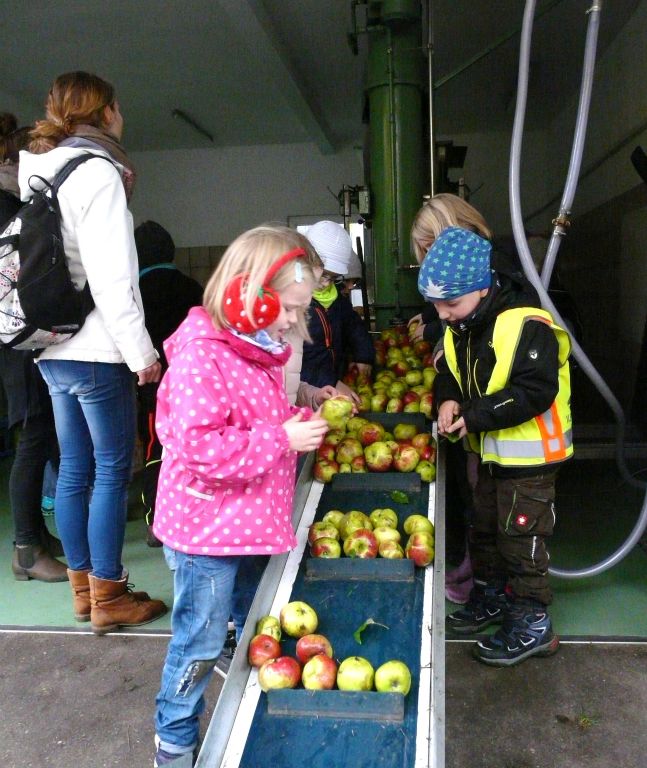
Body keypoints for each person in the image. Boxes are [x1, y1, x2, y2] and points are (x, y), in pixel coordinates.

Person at [152, 224, 328, 766]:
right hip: (206, 536)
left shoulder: (257, 349)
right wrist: (282, 439)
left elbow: (252, 419)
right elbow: (202, 450)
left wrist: (296, 419)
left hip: (246, 526)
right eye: (292, 308)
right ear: (246, 294)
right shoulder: (202, 357)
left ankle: (243, 717)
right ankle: (175, 741)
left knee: (252, 627)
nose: (297, 321)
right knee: (199, 644)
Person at [21, 71, 167, 632]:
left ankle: (85, 591)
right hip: (99, 347)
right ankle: (110, 595)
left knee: (76, 470)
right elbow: (112, 278)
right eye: (118, 106)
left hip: (52, 347)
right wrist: (141, 353)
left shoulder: (42, 170)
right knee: (110, 471)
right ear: (104, 112)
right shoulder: (99, 172)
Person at [419, 225, 573, 667]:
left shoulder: (526, 323)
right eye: (436, 305)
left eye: (451, 304)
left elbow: (534, 390)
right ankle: (492, 599)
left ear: (482, 288)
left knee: (520, 537)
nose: (443, 314)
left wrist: (473, 416)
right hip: (490, 453)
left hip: (532, 459)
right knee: (483, 527)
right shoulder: (461, 325)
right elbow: (449, 371)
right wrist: (447, 398)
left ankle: (533, 623)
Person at [408, 194, 494, 603]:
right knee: (470, 493)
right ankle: (473, 580)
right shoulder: (457, 306)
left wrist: (436, 336)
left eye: (428, 246)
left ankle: (489, 585)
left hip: (494, 423)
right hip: (470, 414)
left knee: (486, 505)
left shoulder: (497, 289)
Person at [0, 115, 66, 582]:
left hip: (23, 337)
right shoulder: (6, 202)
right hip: (19, 339)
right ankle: (26, 549)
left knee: (41, 435)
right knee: (35, 436)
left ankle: (37, 537)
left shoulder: (11, 199)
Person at [134, 220, 204, 547]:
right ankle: (192, 514)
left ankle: (156, 522)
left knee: (154, 448)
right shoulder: (193, 288)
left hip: (152, 386)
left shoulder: (135, 294)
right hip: (196, 386)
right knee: (192, 447)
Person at [301, 220, 375, 402]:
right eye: (324, 275)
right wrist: (331, 382)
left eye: (333, 278)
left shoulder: (337, 301)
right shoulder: (297, 305)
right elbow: (304, 360)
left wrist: (363, 355)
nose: (326, 283)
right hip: (308, 389)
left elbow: (354, 327)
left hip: (333, 383)